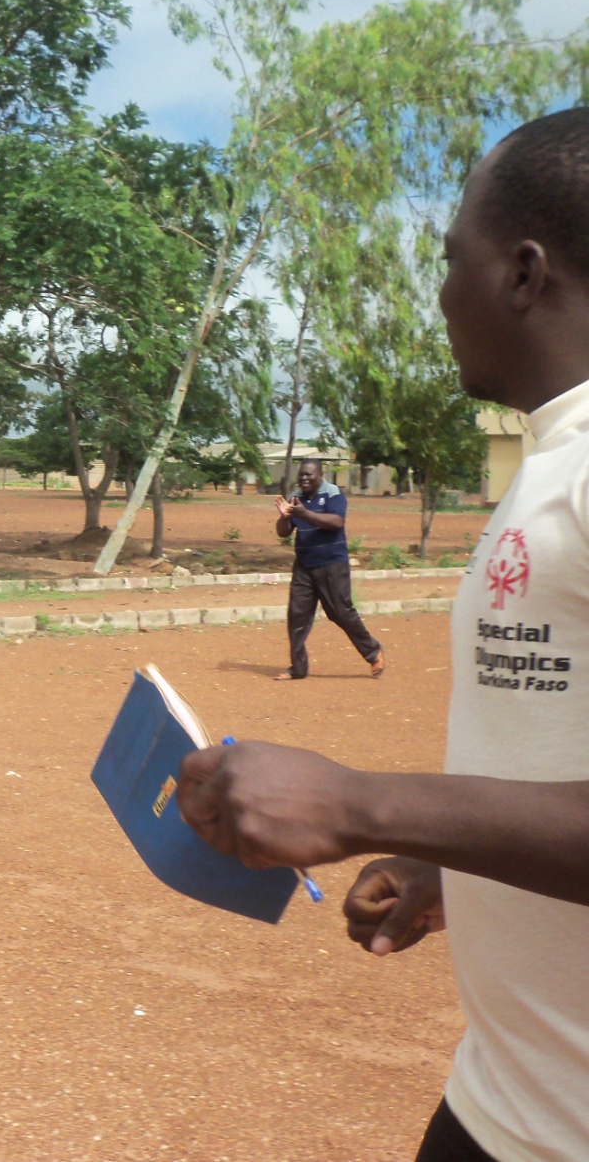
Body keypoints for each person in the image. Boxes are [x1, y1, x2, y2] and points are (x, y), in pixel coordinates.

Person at [177, 108, 589, 1162]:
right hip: (505, 1099)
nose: (440, 290)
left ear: (523, 273)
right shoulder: (550, 462)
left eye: (454, 257)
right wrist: (447, 861)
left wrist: (361, 802)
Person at [273, 459, 385, 680]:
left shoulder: (333, 493)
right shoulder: (297, 498)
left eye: (309, 475)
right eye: (301, 475)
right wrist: (285, 517)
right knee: (297, 616)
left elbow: (336, 522)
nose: (304, 479)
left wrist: (304, 514)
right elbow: (283, 533)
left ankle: (373, 653)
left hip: (332, 564)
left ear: (320, 475)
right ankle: (298, 668)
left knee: (341, 612)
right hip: (304, 565)